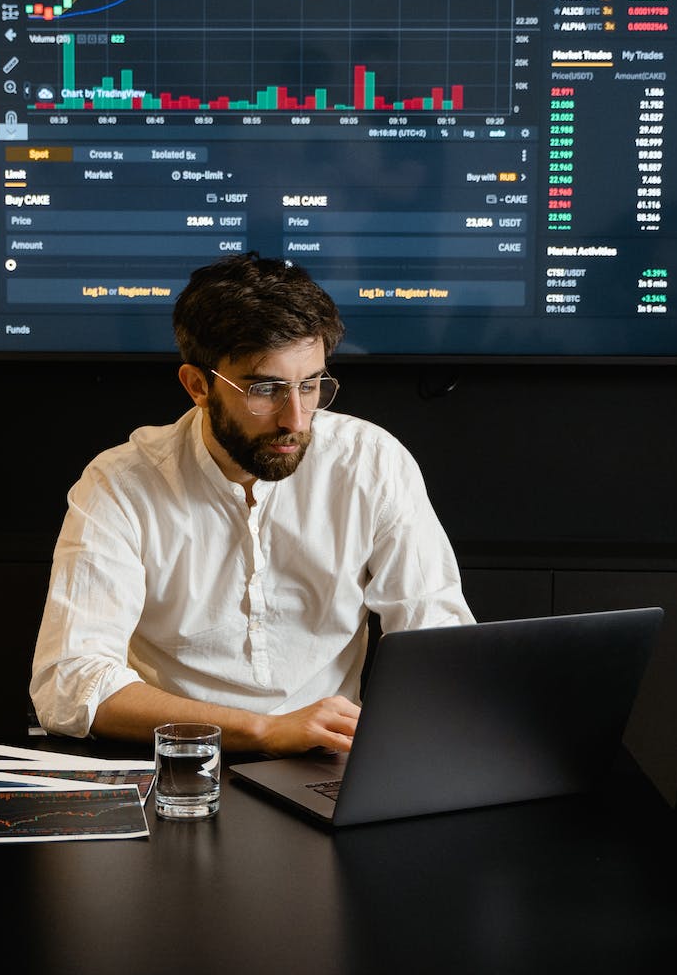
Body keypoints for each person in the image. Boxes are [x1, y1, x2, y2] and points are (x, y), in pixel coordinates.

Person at [29, 253, 474, 756]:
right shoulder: (121, 484)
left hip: (328, 767)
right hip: (178, 766)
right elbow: (68, 684)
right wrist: (264, 730)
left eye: (311, 385)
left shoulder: (371, 461)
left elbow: (438, 646)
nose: (297, 420)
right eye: (266, 389)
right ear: (198, 386)